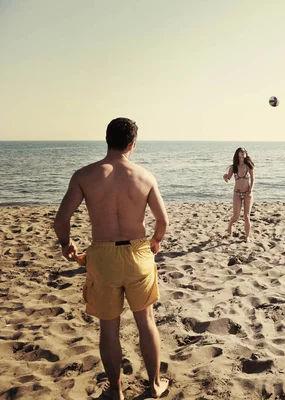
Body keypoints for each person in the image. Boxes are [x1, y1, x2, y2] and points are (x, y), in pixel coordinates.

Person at [53, 118, 170, 399]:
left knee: (109, 326)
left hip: (103, 255)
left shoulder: (84, 175)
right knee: (146, 322)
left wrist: (66, 244)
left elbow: (61, 220)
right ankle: (154, 386)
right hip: (138, 253)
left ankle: (115, 390)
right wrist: (155, 241)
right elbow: (162, 221)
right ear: (133, 144)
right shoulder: (144, 176)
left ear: (107, 140)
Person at [223, 147, 255, 241]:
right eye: (241, 151)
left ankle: (247, 237)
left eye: (244, 152)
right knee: (236, 216)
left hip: (247, 193)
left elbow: (253, 179)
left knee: (247, 216)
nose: (243, 153)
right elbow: (228, 178)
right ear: (237, 154)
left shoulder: (249, 166)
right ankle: (229, 226)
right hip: (237, 193)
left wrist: (251, 189)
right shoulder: (234, 167)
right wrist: (225, 177)